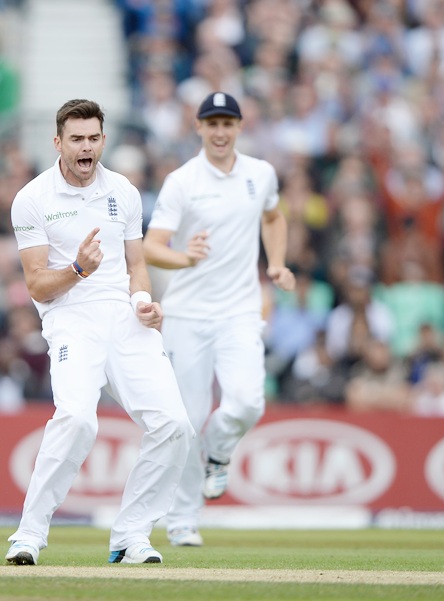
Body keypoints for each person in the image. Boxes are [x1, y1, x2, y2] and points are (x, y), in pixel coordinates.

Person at [6, 99, 194, 566]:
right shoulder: (33, 198)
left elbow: (136, 266)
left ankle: (131, 535)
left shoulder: (124, 191)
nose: (86, 147)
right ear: (58, 143)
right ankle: (28, 535)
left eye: (93, 138)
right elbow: (37, 284)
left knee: (173, 423)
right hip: (70, 316)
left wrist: (144, 304)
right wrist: (77, 269)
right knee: (77, 419)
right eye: (76, 139)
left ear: (103, 141)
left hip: (124, 317)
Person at [143, 91, 295, 547]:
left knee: (248, 402)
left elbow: (273, 218)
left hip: (240, 310)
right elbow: (151, 246)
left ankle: (220, 447)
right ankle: (182, 519)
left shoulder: (260, 174)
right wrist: (184, 258)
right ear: (199, 128)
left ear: (240, 127)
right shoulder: (182, 181)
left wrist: (276, 263)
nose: (221, 132)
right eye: (212, 124)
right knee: (186, 417)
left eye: (228, 123)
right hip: (187, 313)